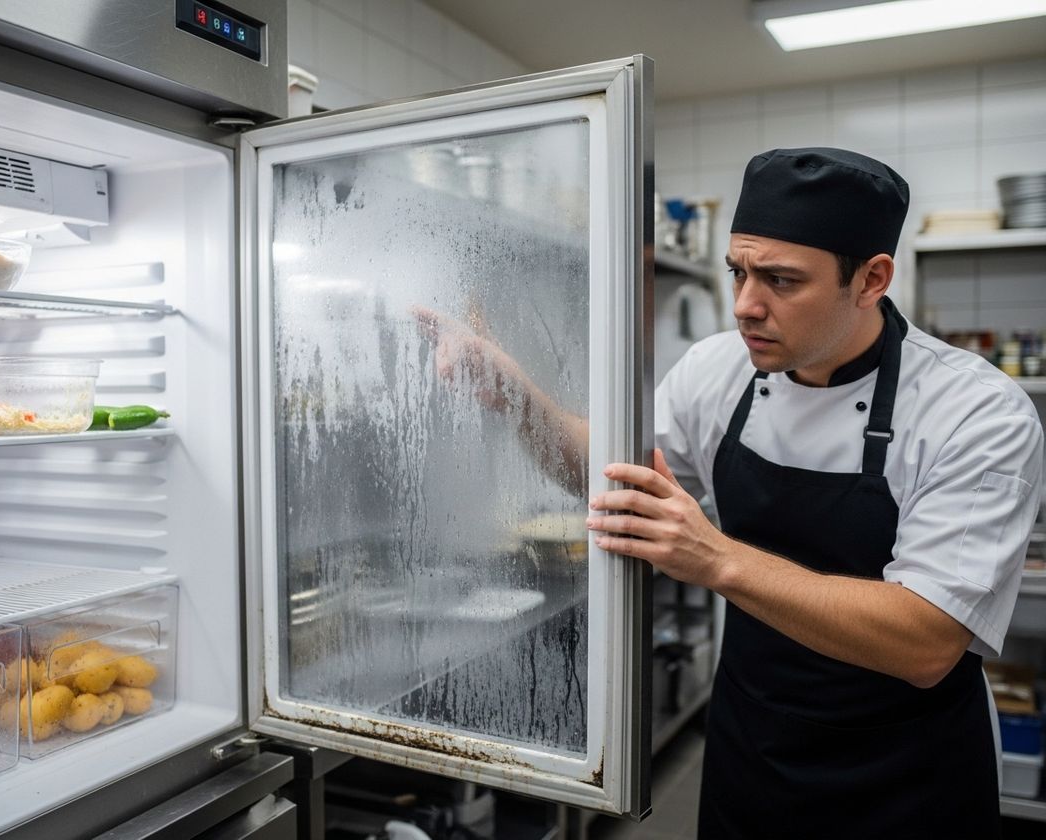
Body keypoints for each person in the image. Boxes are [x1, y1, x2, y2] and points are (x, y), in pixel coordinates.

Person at [415, 147, 1044, 839]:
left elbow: (924, 644)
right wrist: (515, 394)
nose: (746, 306)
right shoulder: (718, 369)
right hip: (756, 742)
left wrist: (715, 559)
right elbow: (609, 468)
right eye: (739, 272)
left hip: (906, 775)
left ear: (871, 280)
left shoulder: (975, 410)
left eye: (780, 280)